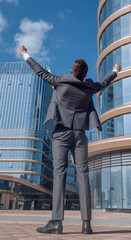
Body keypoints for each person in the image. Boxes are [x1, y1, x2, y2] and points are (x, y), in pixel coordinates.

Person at [18, 45, 120, 235]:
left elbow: (39, 71)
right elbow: (104, 82)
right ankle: (86, 224)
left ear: (72, 72)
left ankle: (56, 222)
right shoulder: (90, 88)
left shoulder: (60, 82)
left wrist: (25, 54)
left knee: (60, 174)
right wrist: (115, 70)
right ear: (84, 74)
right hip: (80, 135)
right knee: (83, 175)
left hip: (62, 134)